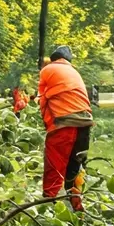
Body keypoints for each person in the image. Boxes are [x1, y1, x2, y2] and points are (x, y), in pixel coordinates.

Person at [38, 46, 94, 211]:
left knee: (54, 168)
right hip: (85, 124)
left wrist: (48, 125)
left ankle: (47, 208)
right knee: (75, 168)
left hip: (64, 124)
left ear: (54, 58)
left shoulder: (48, 70)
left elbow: (43, 101)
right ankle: (77, 207)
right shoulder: (74, 72)